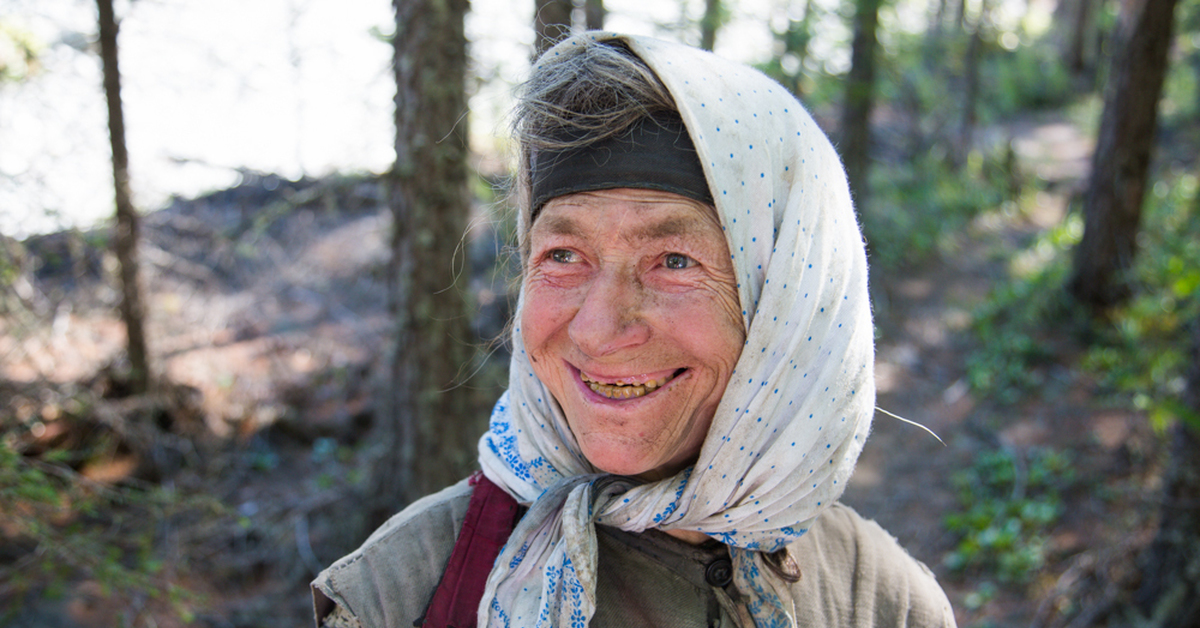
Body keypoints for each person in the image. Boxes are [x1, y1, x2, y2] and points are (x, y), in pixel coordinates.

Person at [312, 32, 956, 628]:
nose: (597, 330)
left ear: (784, 305)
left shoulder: (883, 602)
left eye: (674, 261)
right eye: (563, 256)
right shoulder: (402, 595)